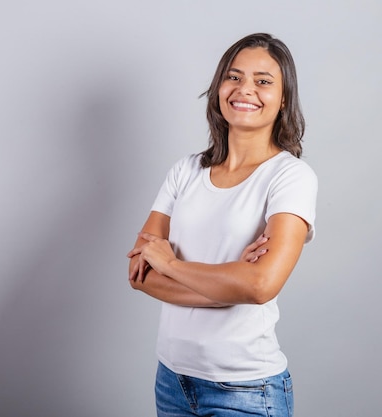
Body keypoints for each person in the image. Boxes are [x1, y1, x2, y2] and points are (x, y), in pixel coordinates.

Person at [127, 33, 317, 417]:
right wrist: (229, 287)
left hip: (245, 390)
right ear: (218, 89)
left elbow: (261, 285)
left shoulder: (290, 178)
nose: (245, 89)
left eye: (263, 81)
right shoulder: (186, 171)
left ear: (283, 99)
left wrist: (170, 265)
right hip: (172, 380)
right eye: (233, 77)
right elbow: (138, 274)